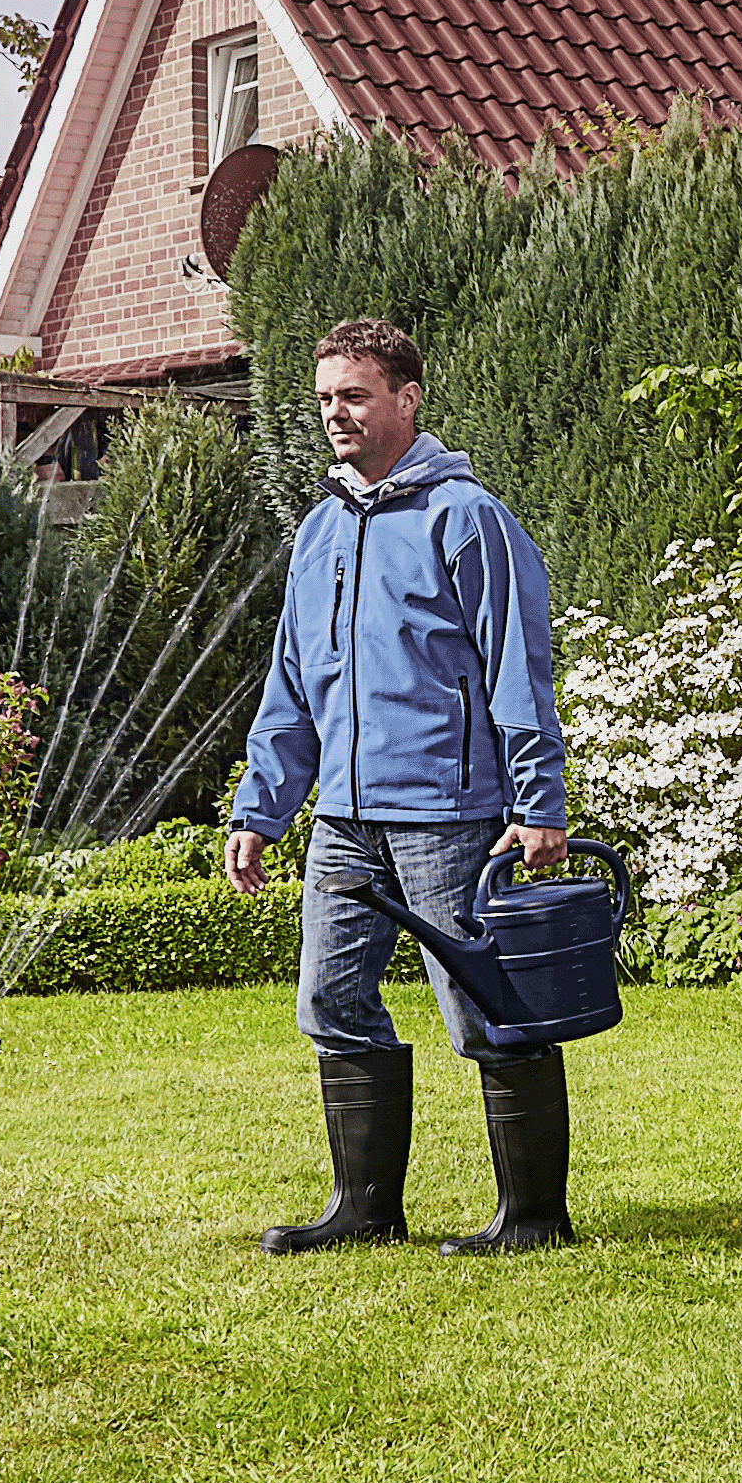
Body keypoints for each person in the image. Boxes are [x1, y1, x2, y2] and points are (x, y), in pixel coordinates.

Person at [225, 319, 576, 1256]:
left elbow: (517, 666)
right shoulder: (320, 529)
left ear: (406, 399)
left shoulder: (466, 518)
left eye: (355, 394)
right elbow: (293, 680)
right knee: (330, 999)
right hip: (343, 822)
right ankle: (365, 1209)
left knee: (488, 1006)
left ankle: (533, 1217)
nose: (335, 412)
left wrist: (539, 804)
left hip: (450, 817)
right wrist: (263, 807)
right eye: (327, 396)